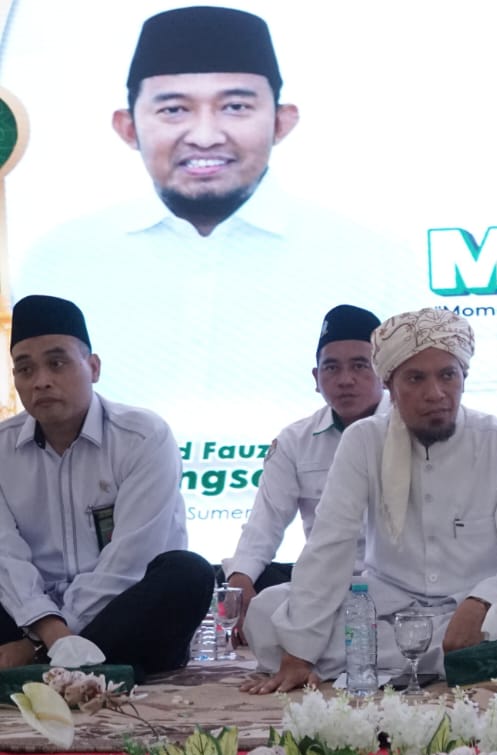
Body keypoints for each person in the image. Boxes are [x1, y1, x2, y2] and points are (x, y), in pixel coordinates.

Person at [15, 6, 417, 479]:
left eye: (235, 107)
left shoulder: (373, 257)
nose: (205, 137)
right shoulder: (58, 258)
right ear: (127, 127)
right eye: (173, 109)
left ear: (281, 121)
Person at [241, 308, 497, 692]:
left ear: (463, 378)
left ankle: (404, 657)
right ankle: (472, 661)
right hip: (389, 603)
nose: (435, 393)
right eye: (416, 378)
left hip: (478, 602)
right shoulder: (364, 440)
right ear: (390, 385)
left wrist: (482, 601)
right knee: (268, 611)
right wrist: (299, 653)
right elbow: (329, 545)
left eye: (447, 375)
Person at [0, 295, 213, 674]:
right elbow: (6, 557)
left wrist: (48, 640)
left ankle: (40, 665)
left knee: (188, 572)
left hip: (119, 611)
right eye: (25, 369)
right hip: (31, 618)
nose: (41, 381)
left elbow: (130, 561)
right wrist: (48, 628)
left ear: (93, 367)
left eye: (57, 363)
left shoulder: (143, 437)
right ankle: (91, 668)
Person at [219, 304, 385, 613]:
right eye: (331, 368)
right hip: (325, 587)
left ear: (385, 373)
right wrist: (240, 580)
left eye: (360, 365)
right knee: (251, 586)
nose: (345, 380)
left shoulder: (412, 430)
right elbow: (264, 524)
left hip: (401, 586)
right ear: (316, 377)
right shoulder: (295, 440)